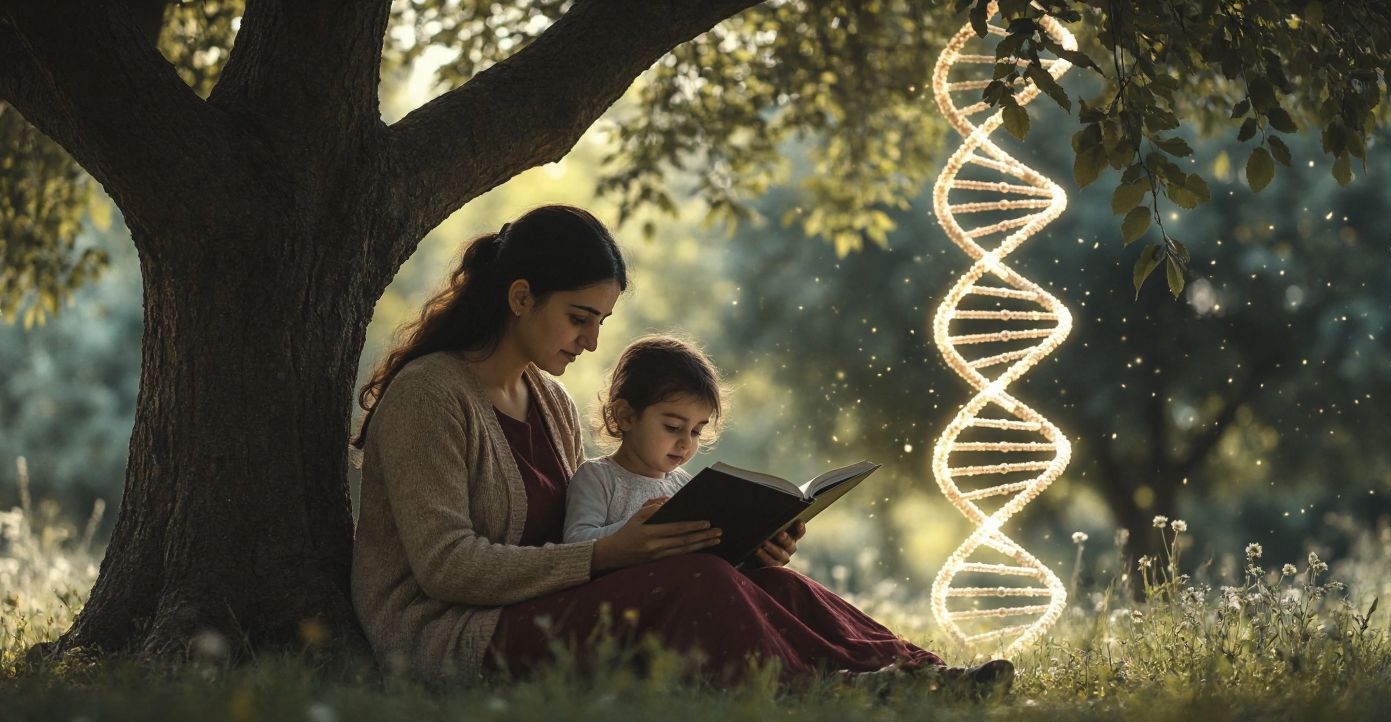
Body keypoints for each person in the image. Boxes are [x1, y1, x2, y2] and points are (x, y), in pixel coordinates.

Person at [350, 204, 1012, 691]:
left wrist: (737, 541)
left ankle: (918, 673)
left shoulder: (546, 400)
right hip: (456, 639)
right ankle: (823, 688)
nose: (590, 343)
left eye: (601, 323)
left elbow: (565, 539)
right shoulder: (430, 397)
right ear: (520, 297)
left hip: (537, 609)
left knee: (764, 576)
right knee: (697, 583)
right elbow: (446, 569)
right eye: (579, 318)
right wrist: (612, 553)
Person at [560, 334, 725, 548]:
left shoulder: (685, 486)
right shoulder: (598, 477)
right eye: (673, 427)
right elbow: (575, 543)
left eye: (696, 431)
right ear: (626, 416)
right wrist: (635, 527)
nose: (686, 443)